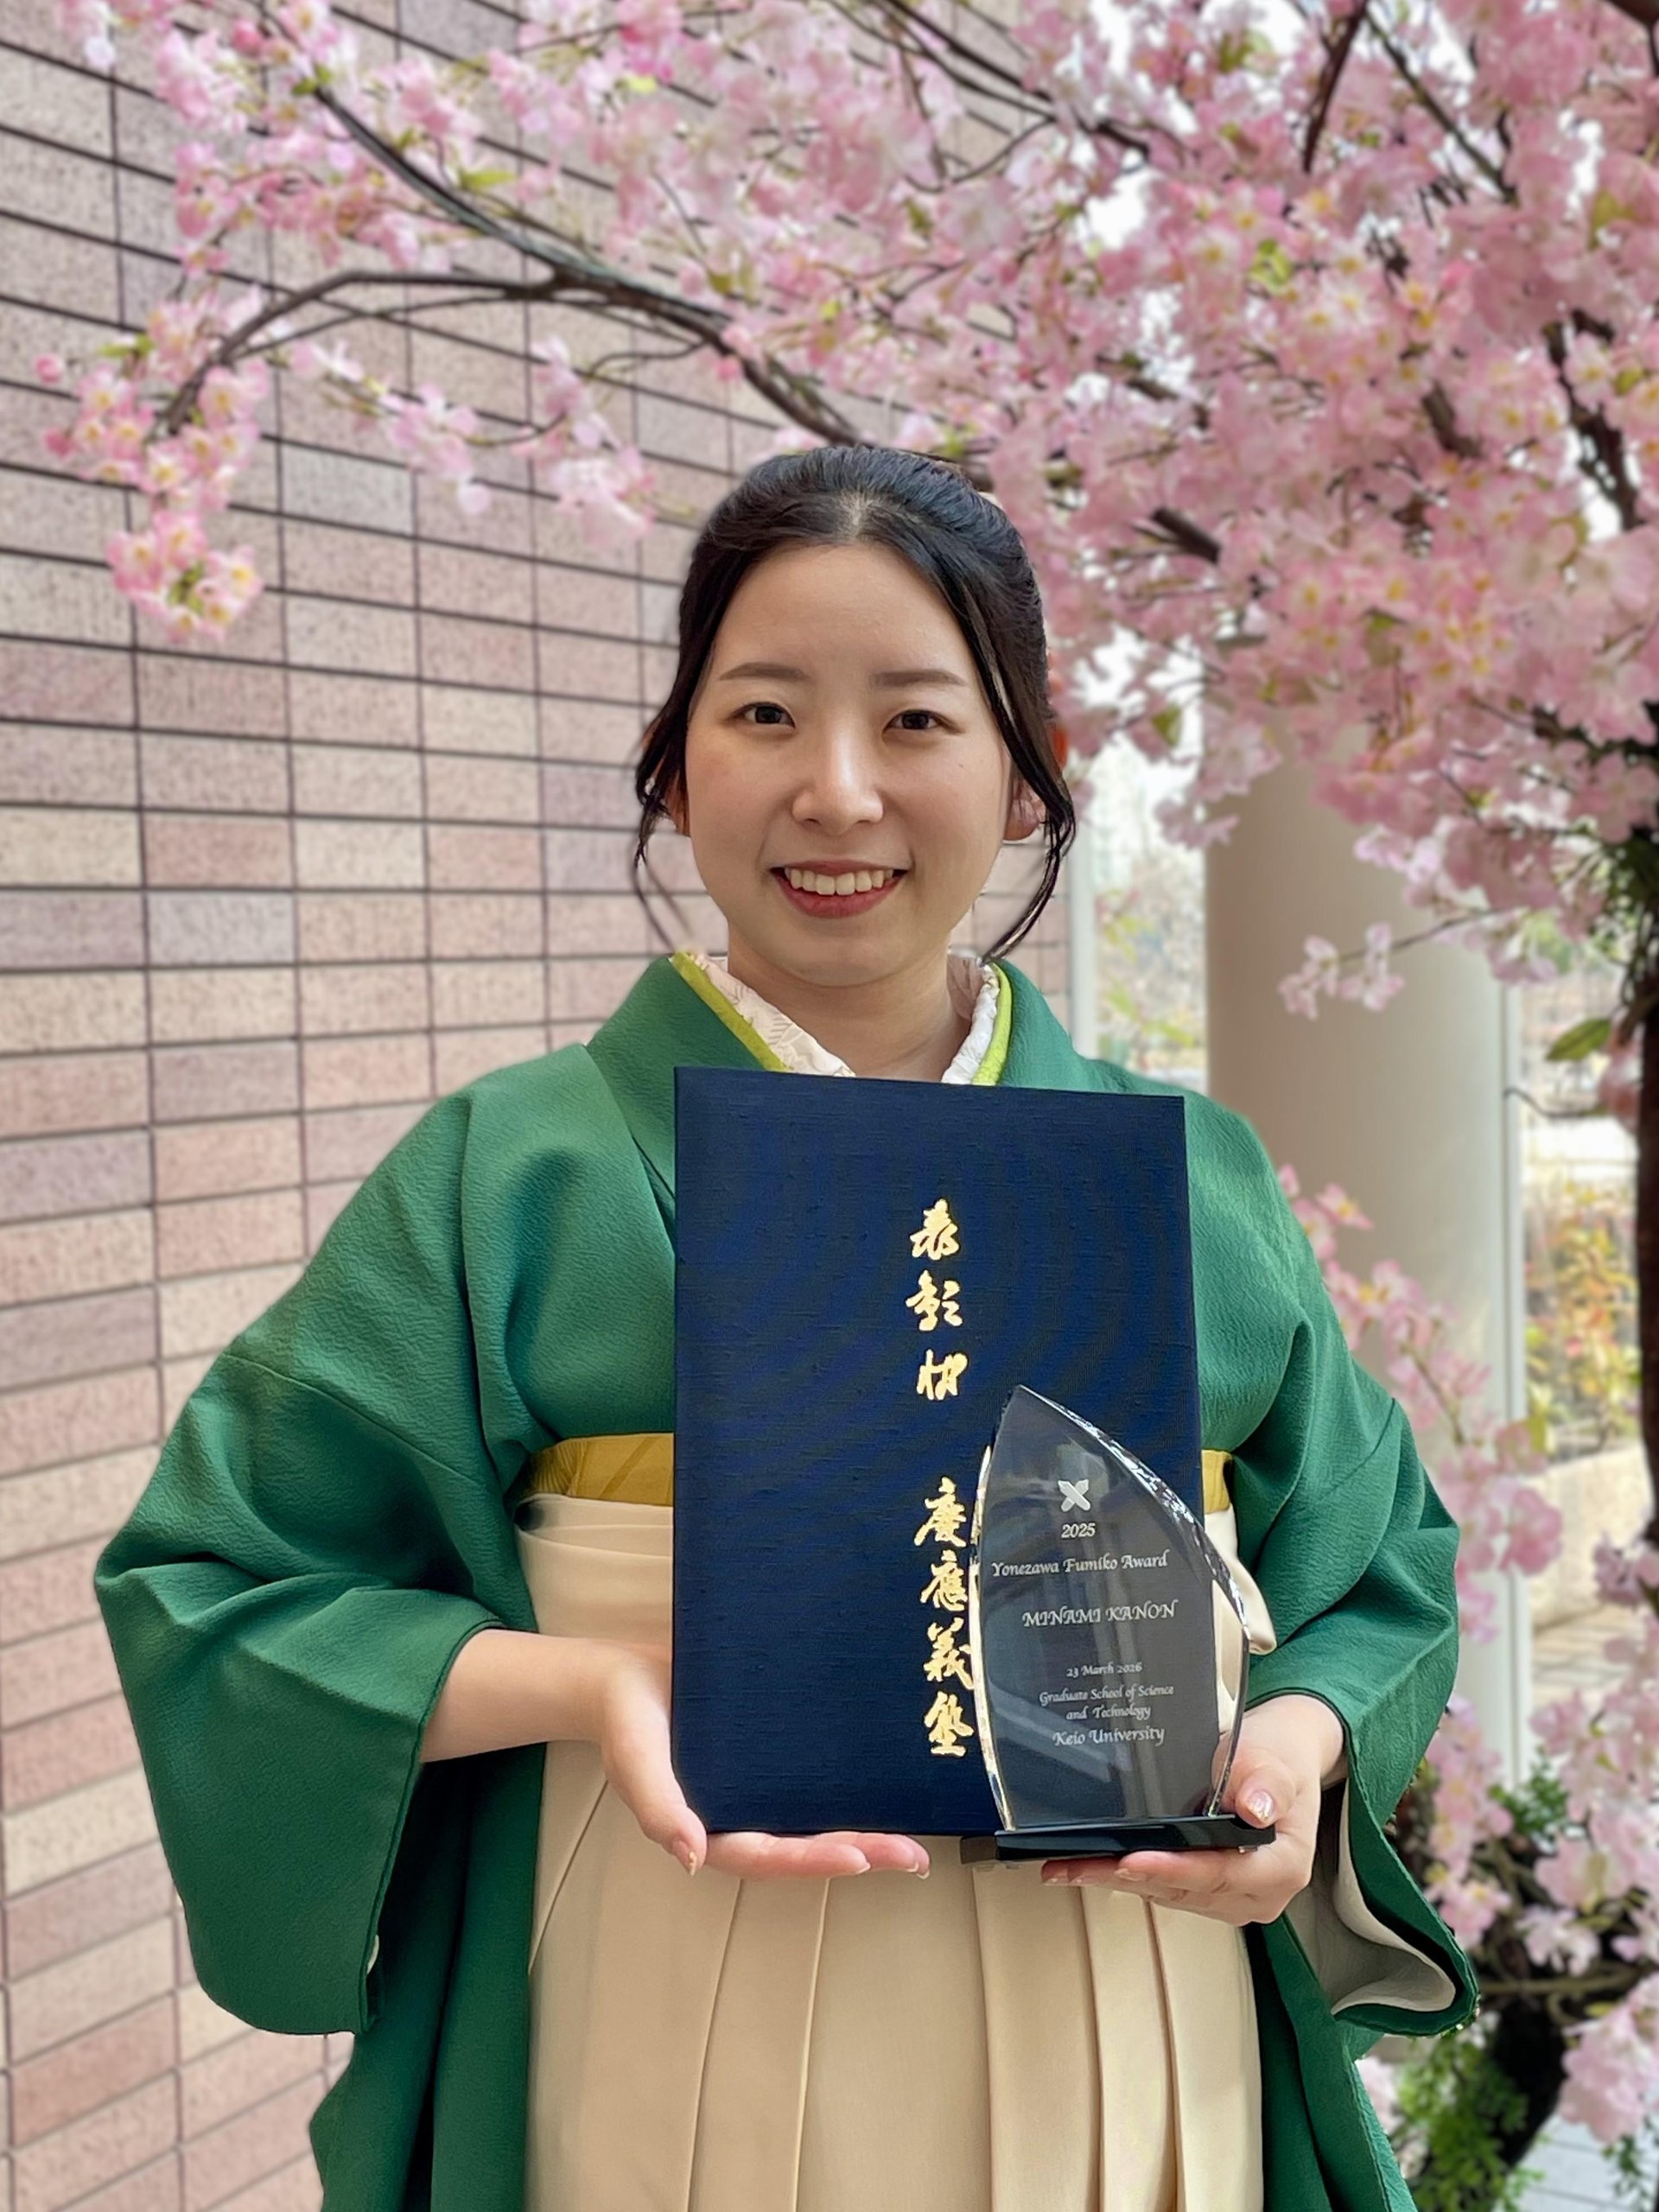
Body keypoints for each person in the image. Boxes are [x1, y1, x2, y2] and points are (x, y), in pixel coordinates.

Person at [97, 445, 1476, 2212]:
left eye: (916, 721)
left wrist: (1293, 1751)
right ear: (675, 767)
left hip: (1129, 1982)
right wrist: (596, 1680)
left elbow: (1377, 1566)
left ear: (1027, 778)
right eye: (764, 712)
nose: (838, 790)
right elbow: (218, 1585)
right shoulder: (515, 1171)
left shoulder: (1187, 1174)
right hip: (656, 1954)